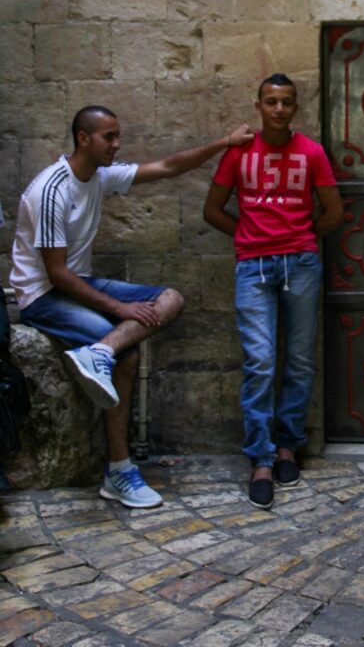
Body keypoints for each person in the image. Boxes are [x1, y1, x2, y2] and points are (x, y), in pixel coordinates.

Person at [10, 106, 254, 509]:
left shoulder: (100, 176)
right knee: (129, 352)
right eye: (109, 137)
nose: (117, 144)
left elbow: (167, 166)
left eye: (117, 135)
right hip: (42, 295)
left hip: (77, 283)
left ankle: (99, 352)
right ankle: (119, 471)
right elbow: (56, 274)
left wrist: (224, 143)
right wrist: (119, 310)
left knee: (170, 298)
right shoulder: (50, 189)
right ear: (83, 138)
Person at [203, 74, 343, 510]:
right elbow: (213, 209)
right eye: (271, 102)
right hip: (253, 267)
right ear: (259, 105)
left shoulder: (311, 152)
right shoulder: (240, 152)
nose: (279, 109)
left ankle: (288, 446)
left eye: (286, 102)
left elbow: (333, 211)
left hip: (300, 264)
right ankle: (260, 459)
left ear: (295, 107)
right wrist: (249, 236)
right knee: (260, 361)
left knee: (299, 360)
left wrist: (299, 238)